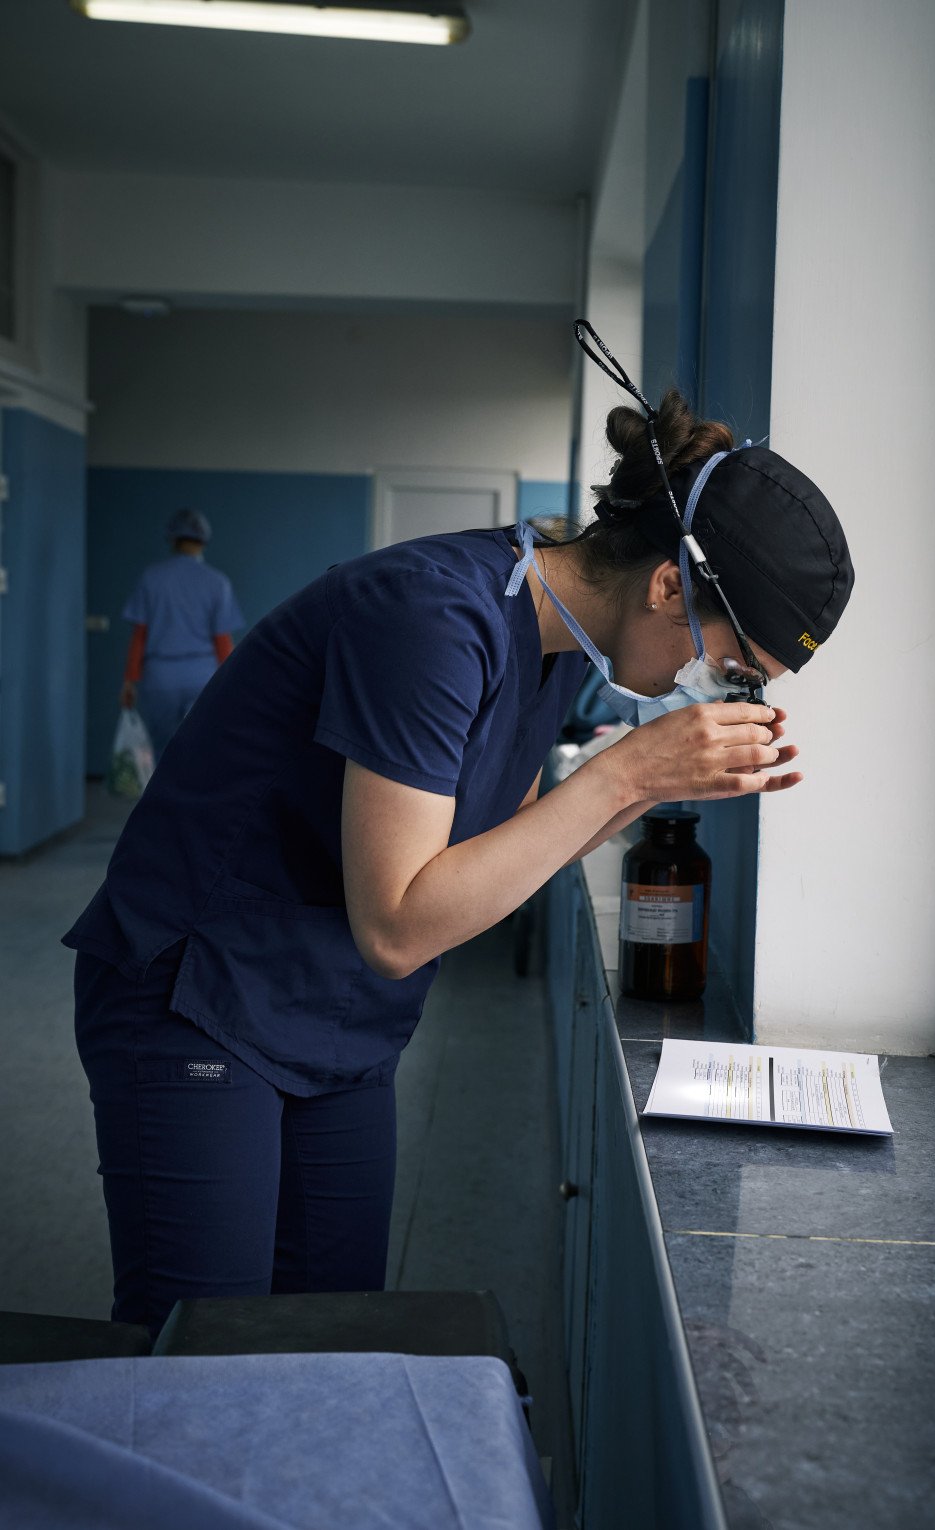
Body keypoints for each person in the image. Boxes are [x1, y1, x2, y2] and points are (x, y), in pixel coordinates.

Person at [64, 330, 854, 1334]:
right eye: (734, 665)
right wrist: (626, 767)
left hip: (337, 1011)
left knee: (328, 1336)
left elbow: (494, 863)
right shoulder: (428, 620)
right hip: (199, 987)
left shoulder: (560, 650)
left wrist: (638, 796)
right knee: (198, 1353)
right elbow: (399, 920)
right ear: (667, 584)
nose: (720, 688)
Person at [120, 509, 245, 760]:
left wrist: (129, 680)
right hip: (203, 675)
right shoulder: (217, 582)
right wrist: (234, 683)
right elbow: (222, 642)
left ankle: (163, 799)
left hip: (160, 677)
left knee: (162, 750)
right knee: (202, 747)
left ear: (173, 538)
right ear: (204, 541)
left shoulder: (152, 578)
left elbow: (140, 636)